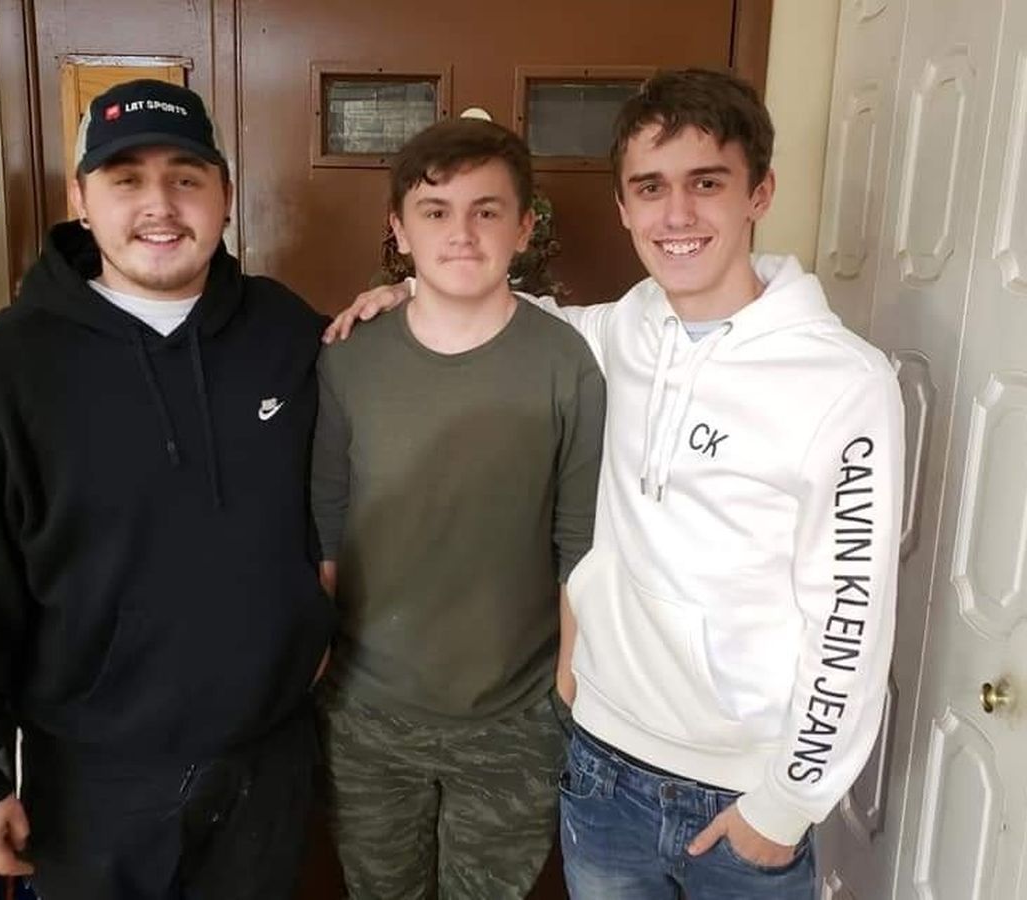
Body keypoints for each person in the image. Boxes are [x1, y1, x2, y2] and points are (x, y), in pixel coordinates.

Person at [326, 68, 904, 900]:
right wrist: (409, 288)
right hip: (599, 771)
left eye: (708, 182)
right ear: (625, 207)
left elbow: (852, 616)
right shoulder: (613, 334)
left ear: (760, 192)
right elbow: (490, 316)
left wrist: (787, 804)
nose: (677, 214)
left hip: (741, 796)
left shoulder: (844, 381)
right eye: (650, 188)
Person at [0, 79, 334, 900]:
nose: (159, 205)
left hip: (268, 764)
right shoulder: (9, 366)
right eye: (126, 179)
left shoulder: (290, 332)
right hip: (92, 779)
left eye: (186, 178)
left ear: (224, 194)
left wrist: (405, 298)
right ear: (81, 200)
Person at [312, 118, 605, 899]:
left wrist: (563, 694)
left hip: (515, 718)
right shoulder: (349, 356)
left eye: (487, 210)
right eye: (436, 211)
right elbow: (327, 526)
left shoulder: (566, 360)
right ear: (399, 228)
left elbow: (579, 545)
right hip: (368, 717)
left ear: (524, 227)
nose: (462, 233)